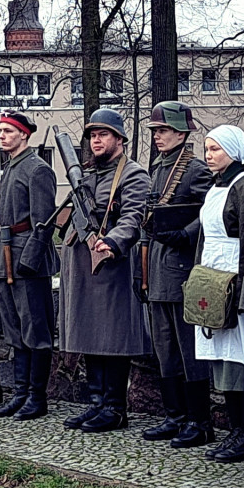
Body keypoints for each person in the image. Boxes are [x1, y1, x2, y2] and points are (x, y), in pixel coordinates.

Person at [59, 108, 151, 433]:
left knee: (111, 337)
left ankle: (115, 407)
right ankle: (96, 402)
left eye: (103, 135)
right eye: (93, 136)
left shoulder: (133, 174)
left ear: (119, 139)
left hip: (111, 266)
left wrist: (113, 241)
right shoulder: (88, 175)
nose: (96, 141)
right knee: (88, 333)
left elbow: (133, 218)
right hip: (83, 265)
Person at [140, 101, 216, 448]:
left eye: (164, 130)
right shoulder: (158, 169)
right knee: (165, 349)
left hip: (182, 269)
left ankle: (199, 421)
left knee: (188, 349)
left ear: (182, 133)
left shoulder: (195, 170)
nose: (158, 137)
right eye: (155, 131)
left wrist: (185, 234)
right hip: (156, 268)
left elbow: (210, 212)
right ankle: (174, 416)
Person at [195, 125, 244, 463]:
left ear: (234, 151)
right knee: (222, 357)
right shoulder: (215, 186)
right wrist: (198, 281)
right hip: (212, 276)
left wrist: (242, 292)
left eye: (216, 150)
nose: (209, 156)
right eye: (207, 150)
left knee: (238, 359)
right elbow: (204, 238)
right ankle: (236, 431)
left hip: (233, 279)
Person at [0, 110, 58, 421]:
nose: (2, 136)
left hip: (28, 260)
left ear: (24, 135)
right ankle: (19, 392)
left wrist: (30, 259)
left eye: (8, 131)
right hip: (6, 256)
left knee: (34, 329)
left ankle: (36, 397)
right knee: (14, 329)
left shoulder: (37, 169)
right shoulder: (10, 168)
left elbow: (43, 221)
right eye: (0, 131)